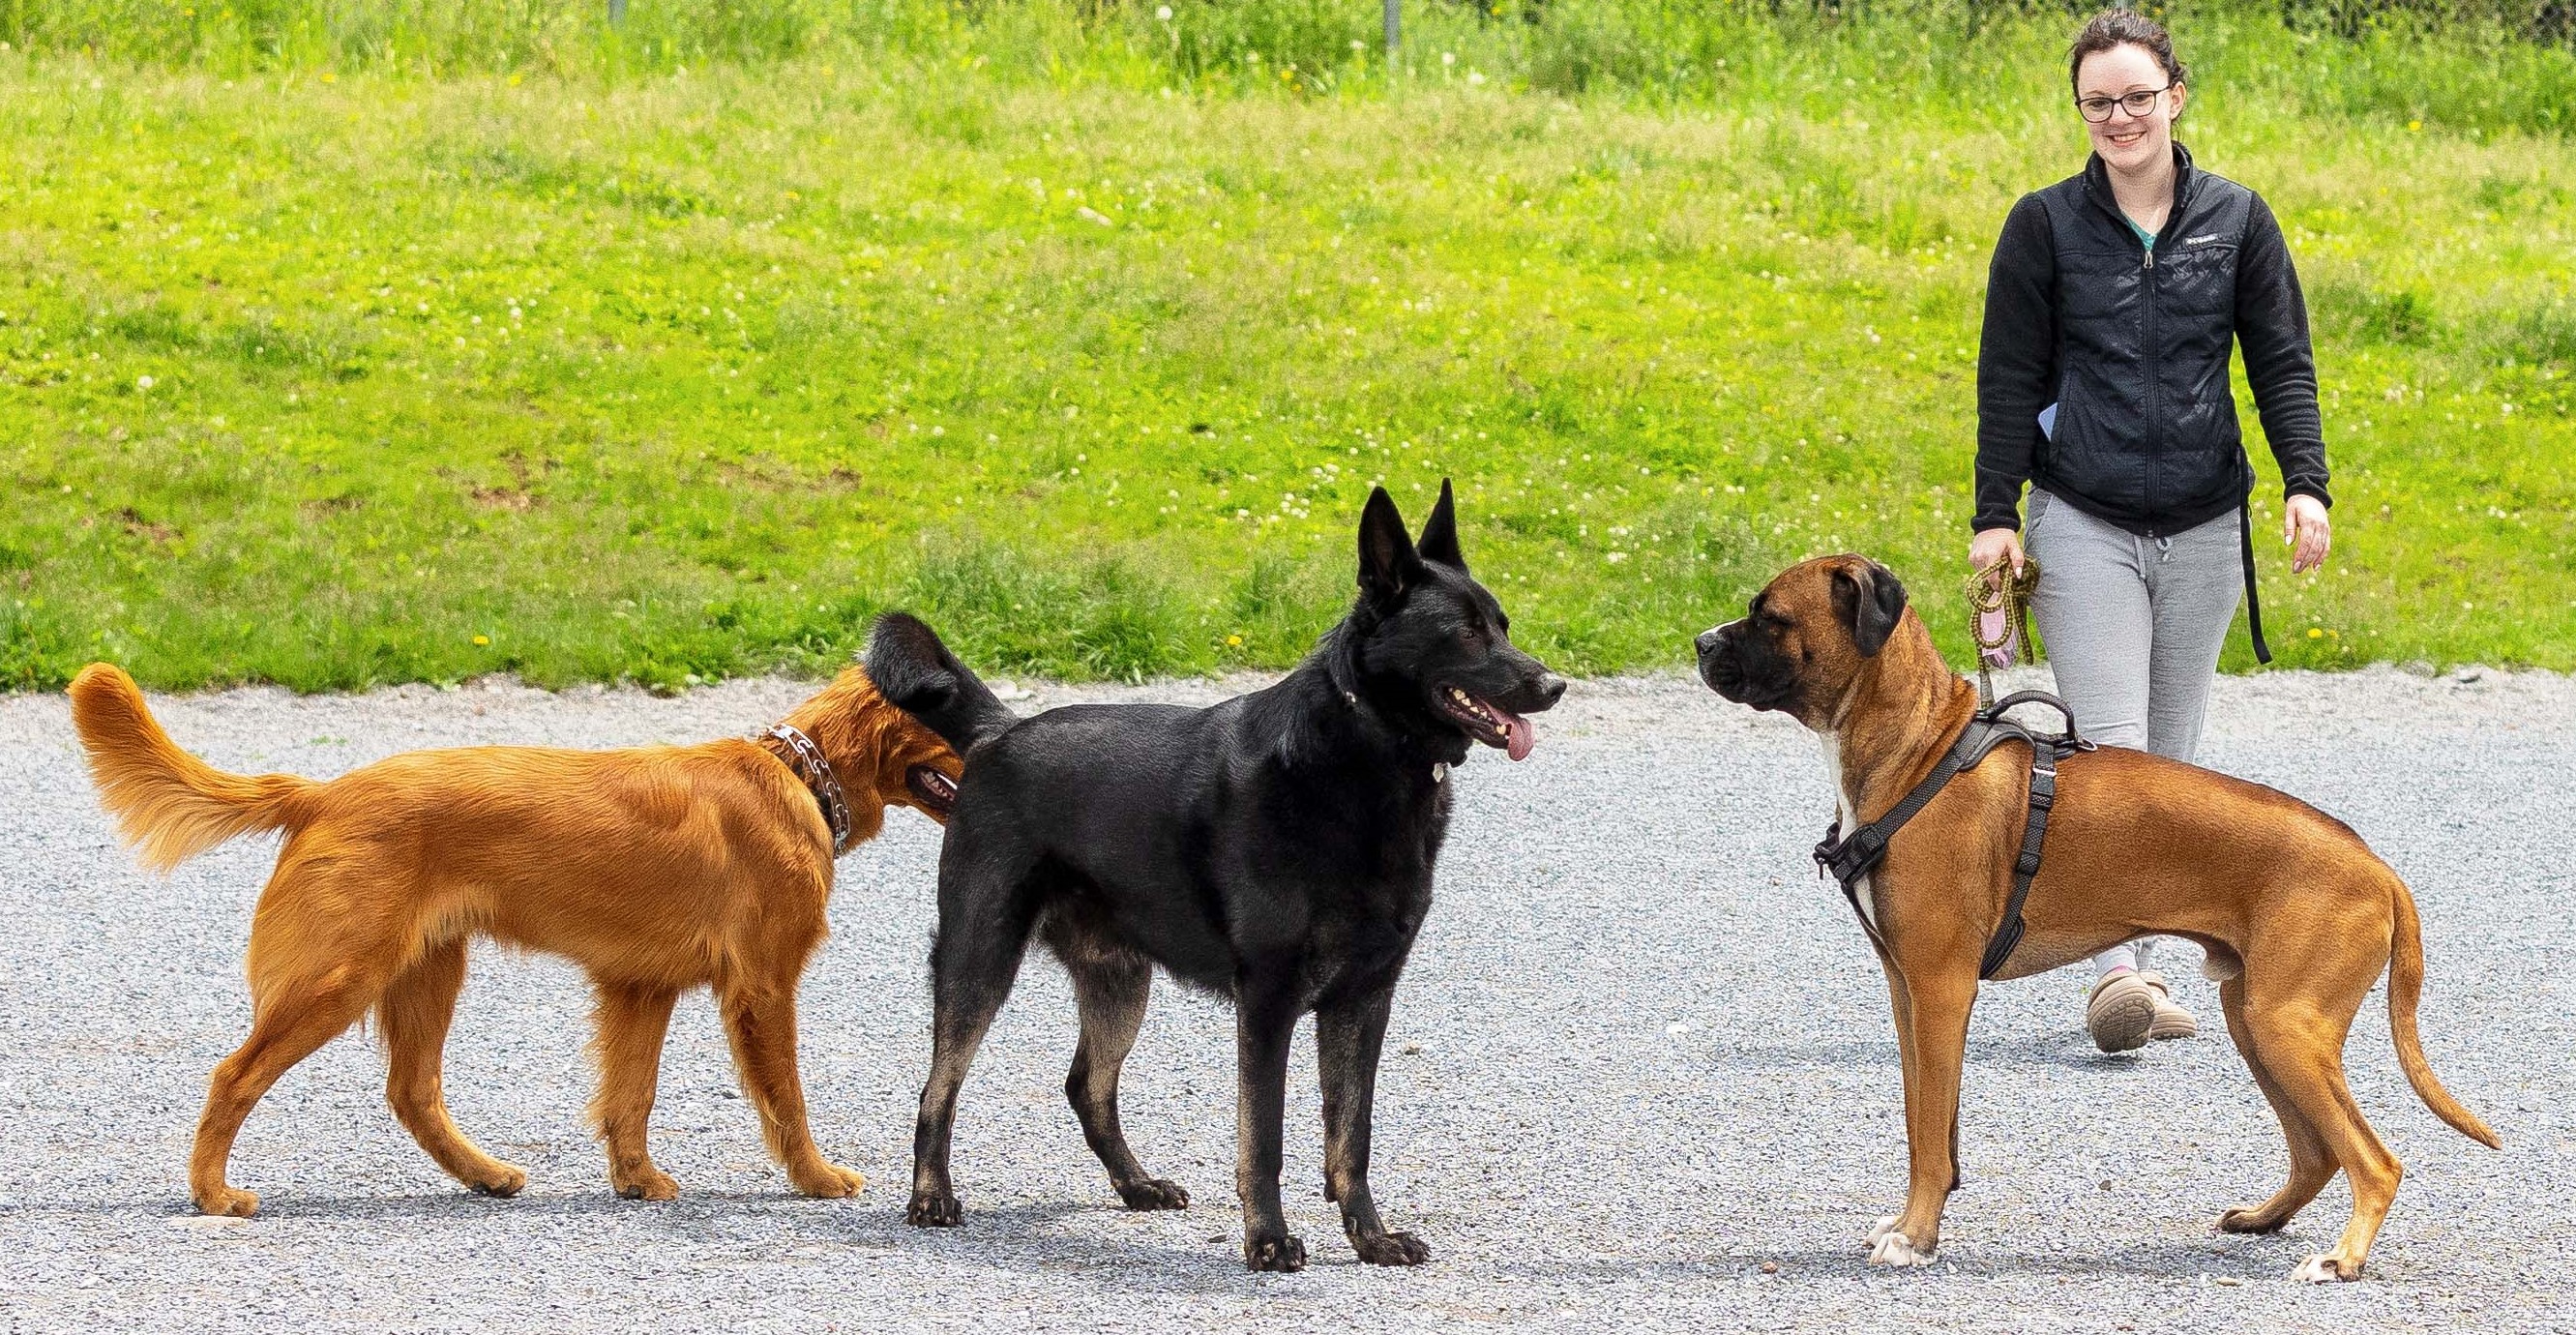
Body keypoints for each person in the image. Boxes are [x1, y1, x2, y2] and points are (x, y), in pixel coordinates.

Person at [1971, 9, 2333, 1053]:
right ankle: (2120, 975)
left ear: (2174, 95)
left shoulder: (2236, 218)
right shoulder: (2041, 226)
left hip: (2205, 523)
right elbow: (2007, 381)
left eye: (2135, 96)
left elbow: (2279, 362)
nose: (2117, 116)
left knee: (2171, 763)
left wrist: (2302, 484)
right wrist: (1995, 515)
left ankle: (2149, 950)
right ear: (2078, 111)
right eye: (2097, 102)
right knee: (2108, 753)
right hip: (2082, 517)